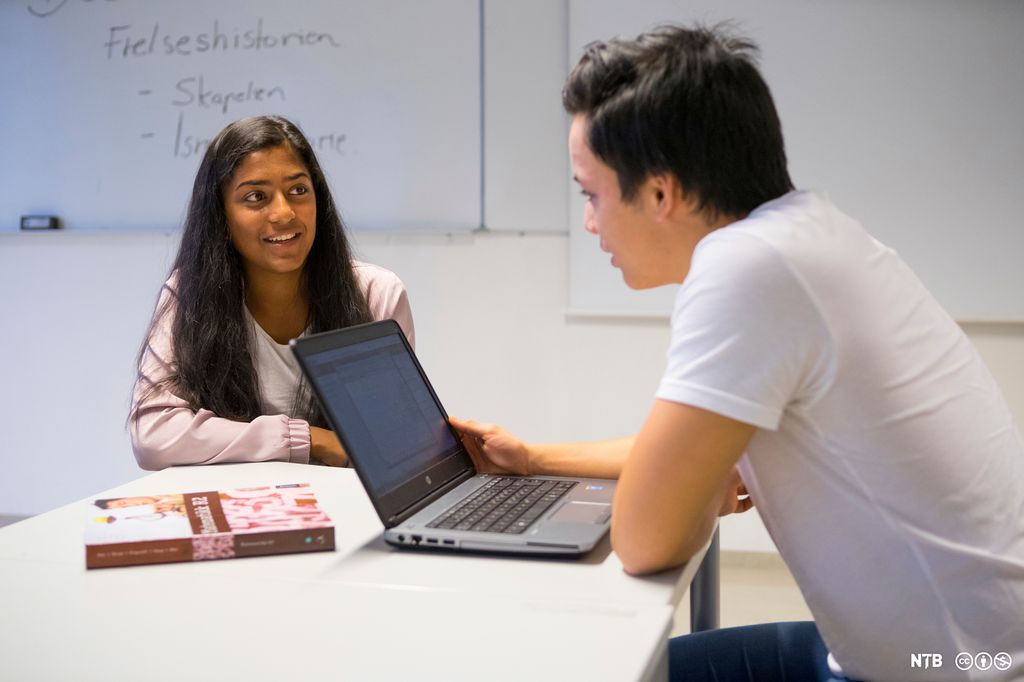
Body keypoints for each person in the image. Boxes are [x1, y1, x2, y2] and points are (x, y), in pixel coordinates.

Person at [450, 24, 1024, 682]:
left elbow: (645, 540)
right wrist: (533, 459)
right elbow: (690, 459)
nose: (589, 222)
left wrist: (696, 490)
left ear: (660, 192)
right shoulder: (807, 232)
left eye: (591, 193)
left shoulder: (748, 269)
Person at [130, 115, 414, 470]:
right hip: (236, 498)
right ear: (221, 215)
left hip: (345, 500)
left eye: (298, 190)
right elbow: (153, 435)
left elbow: (393, 442)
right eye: (256, 197)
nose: (283, 213)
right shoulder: (189, 294)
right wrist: (305, 439)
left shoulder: (377, 294)